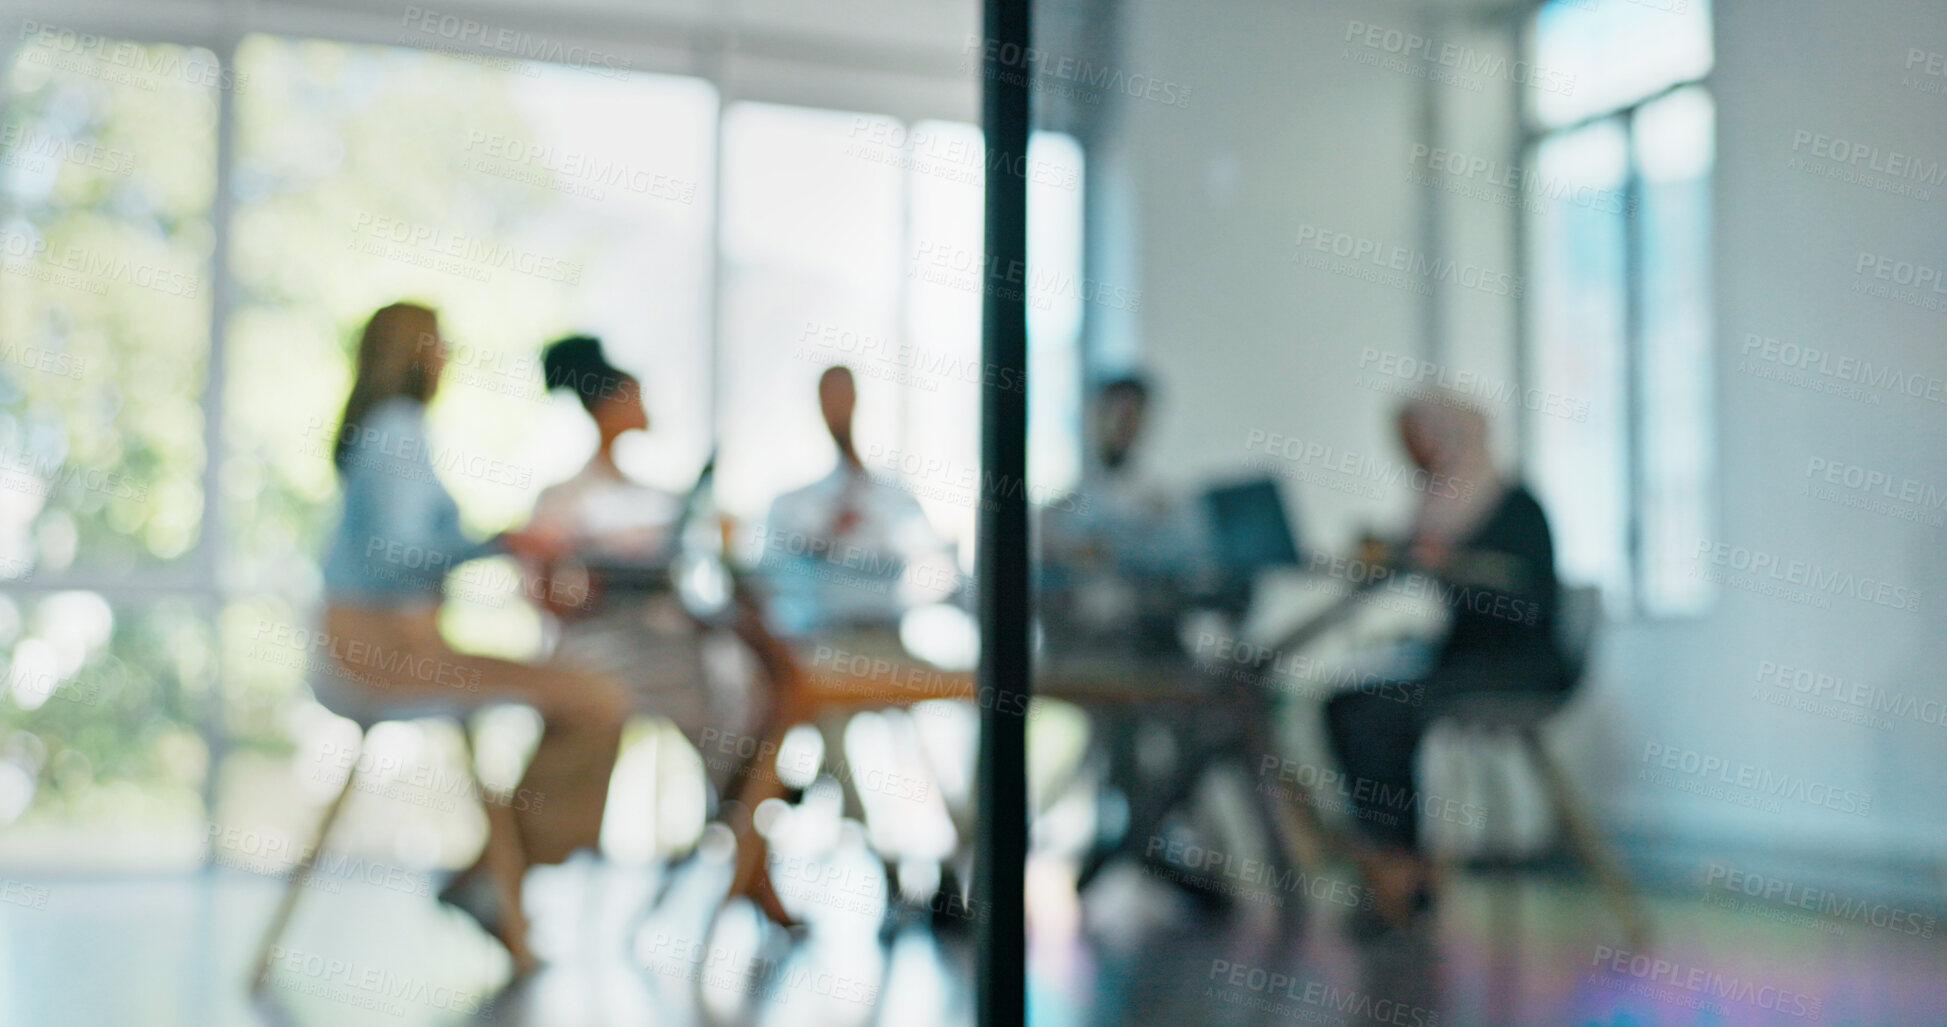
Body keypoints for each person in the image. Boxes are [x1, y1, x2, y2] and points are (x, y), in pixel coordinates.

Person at [318, 303, 630, 974]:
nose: (450, 355)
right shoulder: (399, 429)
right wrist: (495, 541)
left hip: (391, 647)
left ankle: (492, 872)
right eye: (440, 343)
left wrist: (498, 539)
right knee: (599, 697)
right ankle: (493, 874)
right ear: (415, 351)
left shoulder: (378, 430)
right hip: (388, 655)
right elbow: (400, 553)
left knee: (590, 695)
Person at [1323, 393, 1568, 931]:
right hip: (1460, 659)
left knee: (1376, 713)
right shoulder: (1442, 509)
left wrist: (1455, 566)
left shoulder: (1513, 507)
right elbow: (1418, 557)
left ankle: (1401, 876)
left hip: (1521, 666)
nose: (1416, 454)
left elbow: (1526, 609)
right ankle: (1396, 866)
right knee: (1347, 702)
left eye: (1423, 438)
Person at [525, 336, 731, 746]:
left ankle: (740, 800)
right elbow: (543, 591)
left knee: (733, 681)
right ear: (608, 409)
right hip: (598, 644)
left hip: (663, 640)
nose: (644, 407)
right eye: (633, 397)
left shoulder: (658, 498)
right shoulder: (563, 498)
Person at [751, 364, 951, 638]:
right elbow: (771, 579)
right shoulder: (791, 503)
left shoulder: (895, 497)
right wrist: (821, 542)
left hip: (890, 638)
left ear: (856, 399)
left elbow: (933, 565)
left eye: (844, 395)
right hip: (817, 641)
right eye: (829, 397)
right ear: (819, 404)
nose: (837, 407)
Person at [1040, 374, 1209, 657]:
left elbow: (1193, 576)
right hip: (1076, 655)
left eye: (1130, 416)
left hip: (1150, 653)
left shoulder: (1171, 507)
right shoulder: (1056, 513)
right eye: (1110, 413)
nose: (1119, 425)